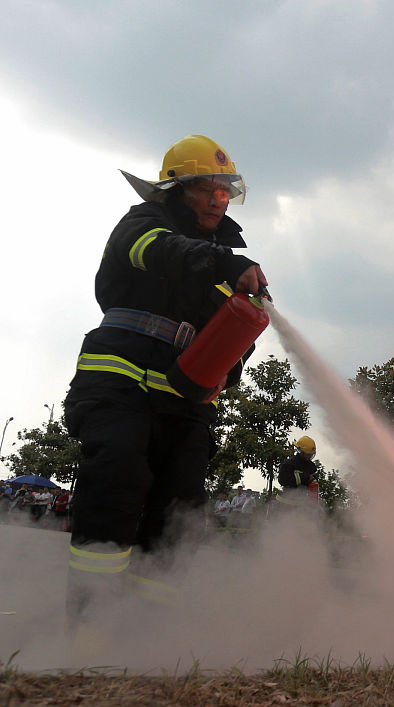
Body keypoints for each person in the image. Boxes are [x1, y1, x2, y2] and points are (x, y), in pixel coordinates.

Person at [62, 135, 269, 628]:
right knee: (116, 485)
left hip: (188, 402)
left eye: (225, 192)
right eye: (207, 190)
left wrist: (240, 336)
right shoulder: (144, 226)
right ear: (176, 190)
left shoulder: (223, 253)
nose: (219, 200)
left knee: (179, 512)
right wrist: (227, 265)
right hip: (120, 385)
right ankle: (91, 628)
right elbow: (163, 252)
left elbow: (235, 331)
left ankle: (146, 634)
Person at [276, 436, 319, 509]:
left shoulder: (311, 466)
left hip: (301, 505)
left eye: (311, 454)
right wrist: (306, 477)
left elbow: (311, 486)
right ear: (301, 452)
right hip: (284, 504)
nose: (310, 456)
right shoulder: (288, 464)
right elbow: (282, 481)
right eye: (308, 454)